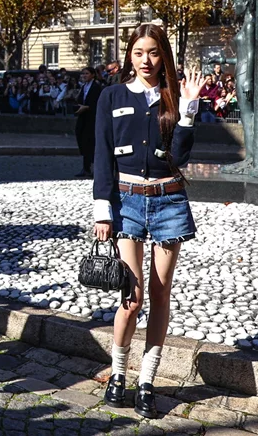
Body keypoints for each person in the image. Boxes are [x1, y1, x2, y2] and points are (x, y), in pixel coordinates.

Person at [92, 24, 202, 419]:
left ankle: (146, 380)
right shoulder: (112, 95)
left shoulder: (174, 97)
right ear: (129, 55)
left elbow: (180, 157)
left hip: (169, 198)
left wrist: (188, 110)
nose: (146, 61)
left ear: (163, 55)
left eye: (153, 52)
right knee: (131, 295)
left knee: (160, 293)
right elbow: (102, 156)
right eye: (139, 52)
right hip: (126, 202)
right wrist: (102, 210)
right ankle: (119, 373)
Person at [75, 67, 102, 178]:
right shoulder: (83, 87)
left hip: (92, 118)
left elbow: (97, 103)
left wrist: (87, 107)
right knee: (82, 139)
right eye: (83, 74)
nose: (84, 76)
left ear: (92, 75)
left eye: (86, 73)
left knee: (91, 143)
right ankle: (86, 168)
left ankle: (92, 168)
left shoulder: (96, 87)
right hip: (83, 117)